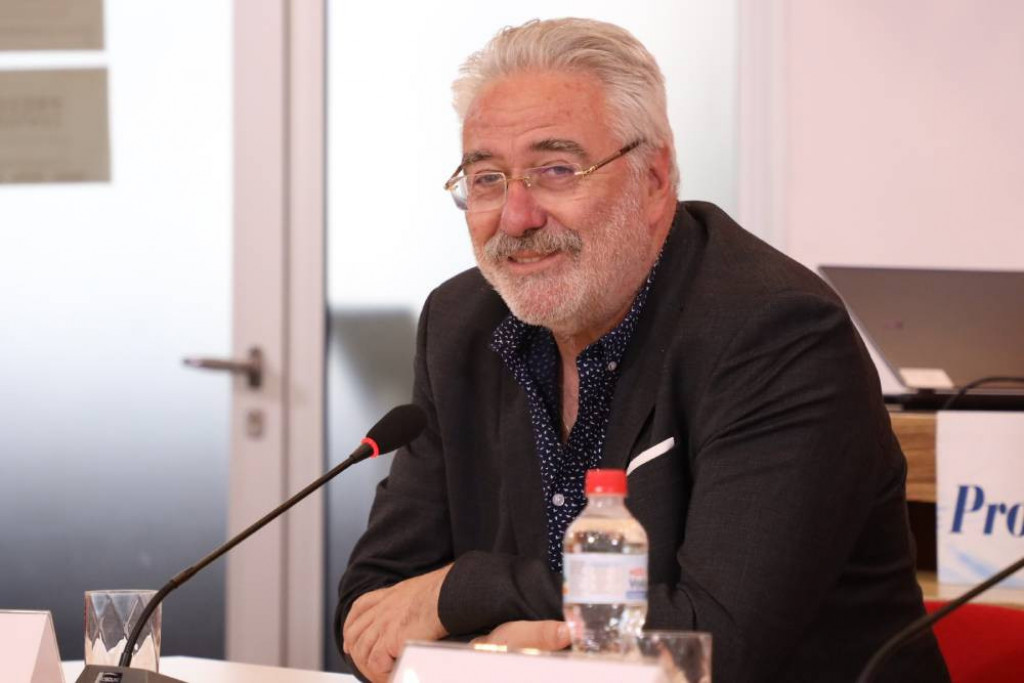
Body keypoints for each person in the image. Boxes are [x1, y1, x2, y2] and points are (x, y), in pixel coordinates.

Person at [335, 17, 949, 683]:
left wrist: (465, 592)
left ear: (653, 180)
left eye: (556, 170)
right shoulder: (461, 324)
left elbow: (713, 646)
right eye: (487, 178)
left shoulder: (776, 333)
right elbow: (372, 607)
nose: (516, 216)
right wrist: (508, 651)